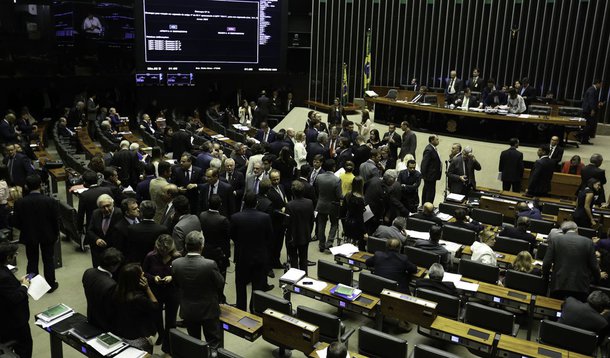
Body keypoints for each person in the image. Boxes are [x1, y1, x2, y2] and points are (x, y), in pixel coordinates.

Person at [172, 231, 224, 348]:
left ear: (185, 246)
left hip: (188, 309)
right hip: (208, 310)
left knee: (194, 343)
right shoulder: (210, 264)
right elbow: (220, 284)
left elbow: (176, 285)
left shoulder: (176, 264)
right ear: (202, 246)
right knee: (213, 342)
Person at [13, 174, 60, 291]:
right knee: (48, 259)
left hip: (29, 235)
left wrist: (25, 228)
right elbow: (55, 220)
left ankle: (33, 285)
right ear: (40, 185)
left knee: (32, 260)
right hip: (48, 234)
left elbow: (16, 222)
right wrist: (56, 233)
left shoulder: (20, 203)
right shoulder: (50, 201)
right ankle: (50, 285)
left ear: (26, 186)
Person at [232, 192, 274, 311]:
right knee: (257, 285)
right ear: (257, 203)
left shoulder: (235, 217)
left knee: (240, 285)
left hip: (242, 256)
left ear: (244, 202)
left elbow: (233, 236)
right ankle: (254, 308)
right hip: (259, 256)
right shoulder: (265, 217)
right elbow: (270, 237)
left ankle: (241, 309)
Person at [542, 221, 600, 301]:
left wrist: (545, 277)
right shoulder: (588, 242)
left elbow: (546, 263)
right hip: (580, 286)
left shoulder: (555, 240)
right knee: (576, 312)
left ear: (563, 231)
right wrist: (597, 280)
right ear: (577, 230)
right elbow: (594, 267)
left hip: (559, 284)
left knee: (555, 310)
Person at [113, 263, 158, 353]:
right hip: (140, 336)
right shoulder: (138, 298)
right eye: (141, 273)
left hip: (124, 332)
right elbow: (155, 306)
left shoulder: (117, 291)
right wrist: (147, 288)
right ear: (136, 278)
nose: (144, 274)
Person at [0, 243, 32, 358]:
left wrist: (18, 282)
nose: (15, 256)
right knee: (25, 347)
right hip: (14, 321)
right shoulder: (4, 277)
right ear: (8, 258)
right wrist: (24, 286)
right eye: (14, 255)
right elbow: (15, 298)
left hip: (5, 318)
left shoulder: (3, 270)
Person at [82, 247, 123, 332]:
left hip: (91, 317)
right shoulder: (111, 285)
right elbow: (111, 311)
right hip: (105, 325)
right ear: (112, 266)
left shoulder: (88, 272)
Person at [199, 195, 231, 283]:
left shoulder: (202, 215)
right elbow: (227, 238)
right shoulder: (223, 220)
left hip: (205, 250)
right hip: (219, 253)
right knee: (220, 277)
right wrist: (227, 255)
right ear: (220, 204)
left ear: (208, 203)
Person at [285, 180, 315, 272]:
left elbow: (287, 223)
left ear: (293, 192)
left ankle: (295, 281)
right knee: (303, 259)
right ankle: (304, 280)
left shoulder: (289, 205)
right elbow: (312, 220)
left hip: (292, 237)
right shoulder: (309, 202)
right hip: (305, 235)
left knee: (293, 260)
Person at [86, 194, 124, 267]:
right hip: (99, 253)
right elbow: (90, 230)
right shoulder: (95, 213)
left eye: (108, 205)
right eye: (103, 207)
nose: (106, 209)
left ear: (113, 204)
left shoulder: (120, 214)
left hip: (115, 254)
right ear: (99, 207)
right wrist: (97, 239)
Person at [315, 159, 342, 252]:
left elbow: (317, 190)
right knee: (334, 224)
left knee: (321, 224)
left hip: (321, 203)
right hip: (333, 205)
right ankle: (329, 243)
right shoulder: (337, 179)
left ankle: (321, 244)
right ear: (334, 167)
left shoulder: (319, 177)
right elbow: (339, 195)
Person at [343, 176, 367, 250]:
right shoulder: (360, 200)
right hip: (356, 225)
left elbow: (344, 209)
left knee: (348, 246)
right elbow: (360, 218)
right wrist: (364, 231)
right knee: (356, 248)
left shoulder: (348, 195)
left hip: (348, 221)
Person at [420, 134, 441, 204]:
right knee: (429, 193)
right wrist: (425, 176)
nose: (438, 141)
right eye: (437, 139)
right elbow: (424, 164)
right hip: (429, 176)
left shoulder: (433, 149)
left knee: (430, 192)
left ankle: (428, 206)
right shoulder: (429, 150)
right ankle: (426, 206)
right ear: (432, 140)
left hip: (432, 176)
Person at [580, 79, 602, 144]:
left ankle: (584, 140)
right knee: (590, 125)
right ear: (597, 83)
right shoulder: (592, 90)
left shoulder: (592, 89)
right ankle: (579, 134)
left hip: (588, 110)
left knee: (588, 125)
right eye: (601, 84)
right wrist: (593, 109)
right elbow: (591, 100)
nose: (601, 86)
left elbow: (593, 100)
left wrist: (598, 104)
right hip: (588, 111)